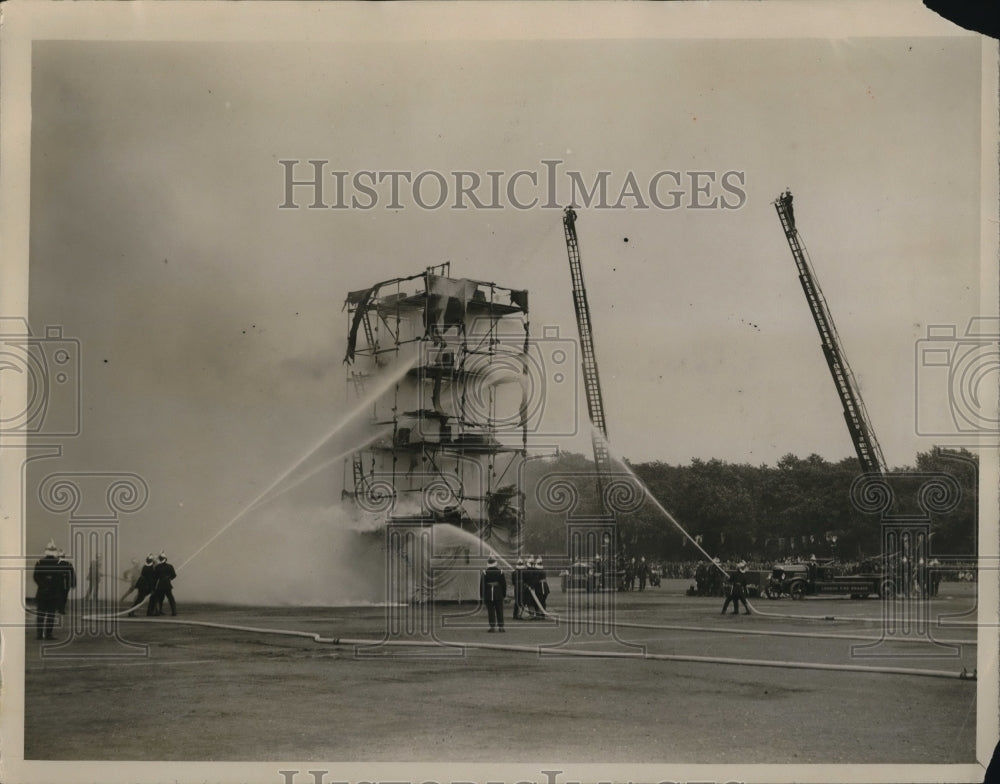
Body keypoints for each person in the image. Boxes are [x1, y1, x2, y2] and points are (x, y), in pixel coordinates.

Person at [33, 541, 62, 640]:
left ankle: (39, 634)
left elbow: (36, 577)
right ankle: (48, 634)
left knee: (40, 614)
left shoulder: (40, 562)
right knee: (51, 615)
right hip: (53, 594)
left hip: (42, 592)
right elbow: (59, 579)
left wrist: (43, 586)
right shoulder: (58, 563)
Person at [480, 555, 506, 632]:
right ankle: (501, 627)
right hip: (498, 593)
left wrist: (482, 595)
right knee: (500, 610)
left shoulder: (485, 572)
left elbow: (482, 585)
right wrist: (504, 594)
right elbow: (503, 584)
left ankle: (492, 627)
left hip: (488, 594)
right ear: (495, 562)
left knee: (491, 611)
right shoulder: (500, 572)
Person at [148, 552, 177, 617]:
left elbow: (155, 578)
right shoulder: (170, 566)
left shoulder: (157, 567)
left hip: (160, 585)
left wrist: (153, 588)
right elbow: (174, 575)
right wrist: (169, 578)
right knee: (171, 598)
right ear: (166, 559)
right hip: (167, 585)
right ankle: (174, 612)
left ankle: (157, 612)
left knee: (158, 598)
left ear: (160, 559)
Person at [56, 549, 75, 615]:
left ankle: (60, 609)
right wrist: (73, 583)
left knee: (62, 596)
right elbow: (73, 574)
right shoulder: (68, 564)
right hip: (63, 583)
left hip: (62, 583)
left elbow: (72, 574)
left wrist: (73, 583)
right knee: (63, 596)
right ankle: (61, 609)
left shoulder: (58, 564)